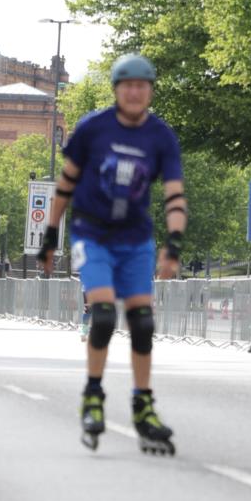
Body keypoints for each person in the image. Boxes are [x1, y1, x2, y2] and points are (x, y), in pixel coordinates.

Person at [37, 53, 187, 454]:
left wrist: (174, 245)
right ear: (117, 91)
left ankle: (143, 406)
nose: (135, 93)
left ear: (151, 92)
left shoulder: (161, 137)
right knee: (103, 316)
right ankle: (93, 395)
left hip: (136, 239)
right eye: (128, 86)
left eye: (142, 86)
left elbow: (174, 195)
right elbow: (65, 184)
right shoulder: (92, 129)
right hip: (92, 234)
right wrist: (51, 236)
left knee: (141, 323)